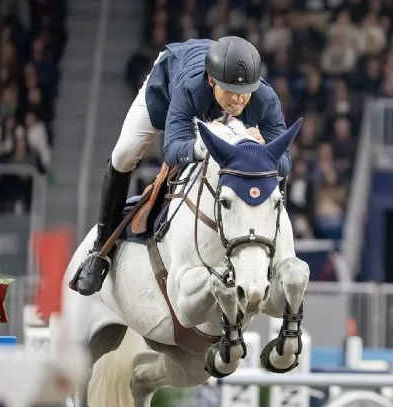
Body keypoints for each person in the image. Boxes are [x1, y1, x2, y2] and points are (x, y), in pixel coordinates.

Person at [69, 36, 293, 296]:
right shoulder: (189, 89)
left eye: (244, 92)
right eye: (230, 90)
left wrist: (264, 151)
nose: (237, 100)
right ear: (211, 80)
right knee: (124, 154)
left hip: (211, 100)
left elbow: (285, 162)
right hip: (165, 88)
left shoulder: (265, 99)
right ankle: (101, 249)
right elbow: (173, 150)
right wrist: (203, 145)